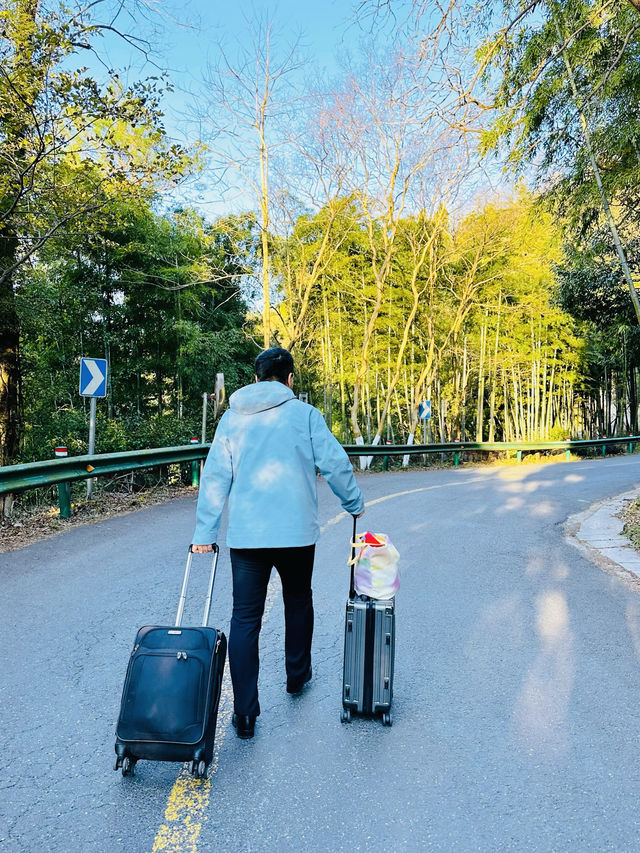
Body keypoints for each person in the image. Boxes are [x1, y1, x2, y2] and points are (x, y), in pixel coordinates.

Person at [192, 347, 364, 739]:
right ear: (289, 379)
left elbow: (215, 476)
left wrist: (204, 533)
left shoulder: (231, 420)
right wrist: (353, 503)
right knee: (298, 600)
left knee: (244, 618)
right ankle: (296, 676)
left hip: (248, 539)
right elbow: (336, 463)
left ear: (255, 378)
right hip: (297, 535)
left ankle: (245, 712)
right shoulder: (304, 415)